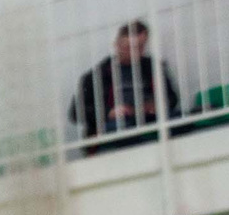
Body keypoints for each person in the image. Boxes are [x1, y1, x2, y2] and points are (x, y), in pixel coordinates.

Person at [71, 20, 183, 150]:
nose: (135, 52)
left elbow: (172, 98)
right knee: (116, 129)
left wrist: (155, 105)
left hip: (150, 118)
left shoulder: (153, 67)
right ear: (117, 45)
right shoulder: (97, 75)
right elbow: (76, 112)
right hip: (118, 124)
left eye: (140, 47)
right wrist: (110, 112)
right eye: (129, 47)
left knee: (180, 118)